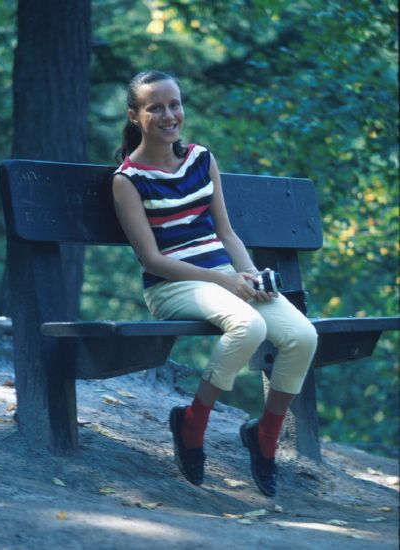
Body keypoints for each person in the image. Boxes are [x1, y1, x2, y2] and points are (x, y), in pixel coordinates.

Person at [112, 70, 318, 497]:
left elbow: (226, 232)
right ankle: (192, 423)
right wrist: (224, 280)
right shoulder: (127, 180)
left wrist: (248, 275)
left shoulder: (202, 159)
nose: (169, 115)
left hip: (225, 279)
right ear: (135, 116)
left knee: (302, 335)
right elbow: (152, 259)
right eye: (155, 107)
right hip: (172, 285)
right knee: (250, 327)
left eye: (175, 104)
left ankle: (263, 436)